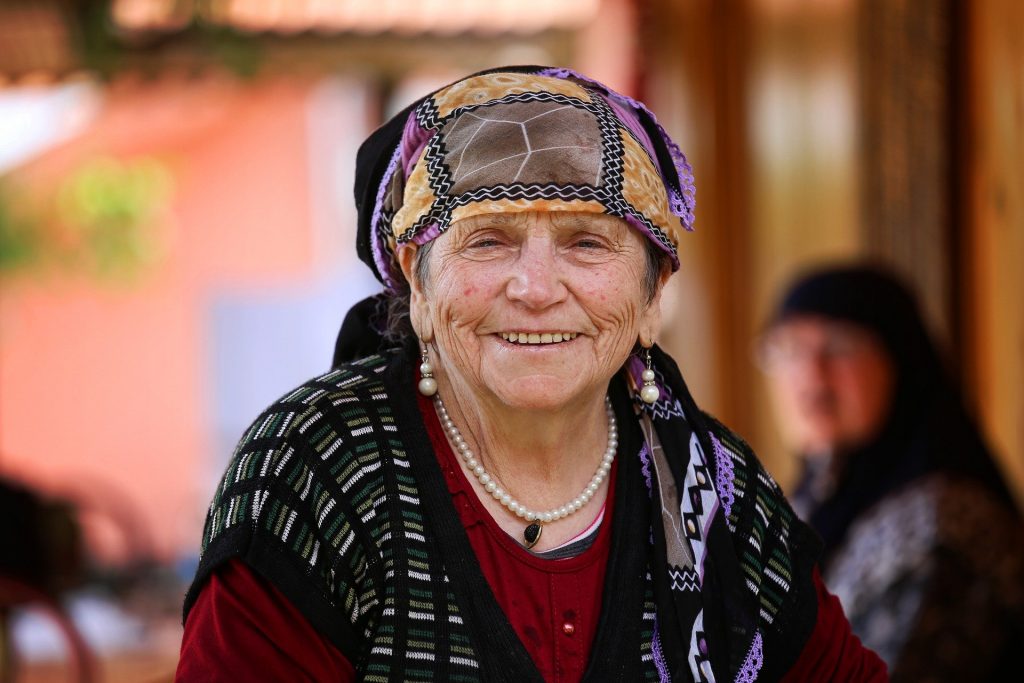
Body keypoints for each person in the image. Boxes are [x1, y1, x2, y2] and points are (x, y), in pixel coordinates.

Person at [176, 67, 886, 682]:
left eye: (586, 242)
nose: (537, 287)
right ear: (415, 286)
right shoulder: (319, 470)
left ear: (652, 294)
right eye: (488, 240)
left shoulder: (714, 494)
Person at [759, 263, 1024, 681]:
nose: (811, 377)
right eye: (789, 349)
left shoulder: (945, 525)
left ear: (899, 362)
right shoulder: (816, 498)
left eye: (840, 347)